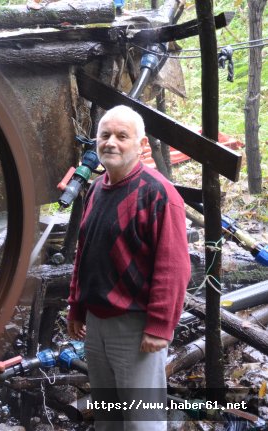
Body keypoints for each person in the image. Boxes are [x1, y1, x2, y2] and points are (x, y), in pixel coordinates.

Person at [67, 105, 191, 430]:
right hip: (97, 323)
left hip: (135, 327)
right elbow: (85, 254)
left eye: (122, 136)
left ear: (141, 144)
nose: (111, 142)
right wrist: (76, 307)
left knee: (141, 420)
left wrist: (160, 326)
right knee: (108, 416)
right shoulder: (96, 189)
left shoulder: (159, 193)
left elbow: (174, 267)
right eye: (105, 135)